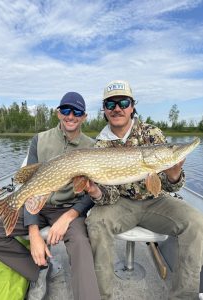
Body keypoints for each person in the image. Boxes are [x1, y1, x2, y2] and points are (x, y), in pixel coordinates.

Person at [84, 80, 203, 300]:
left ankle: (183, 297)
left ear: (132, 106)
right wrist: (95, 192)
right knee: (96, 222)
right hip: (121, 204)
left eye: (123, 102)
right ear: (104, 110)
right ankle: (102, 296)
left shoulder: (151, 133)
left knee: (196, 221)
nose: (117, 108)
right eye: (110, 104)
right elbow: (109, 194)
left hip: (156, 202)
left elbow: (169, 186)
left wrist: (173, 174)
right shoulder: (99, 145)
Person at [0, 92, 101, 300]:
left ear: (84, 117)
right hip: (36, 204)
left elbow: (91, 194)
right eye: (66, 110)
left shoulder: (93, 147)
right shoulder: (40, 140)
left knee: (81, 243)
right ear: (58, 113)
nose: (71, 116)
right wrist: (33, 232)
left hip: (69, 209)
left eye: (77, 112)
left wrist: (70, 216)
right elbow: (30, 186)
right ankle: (40, 269)